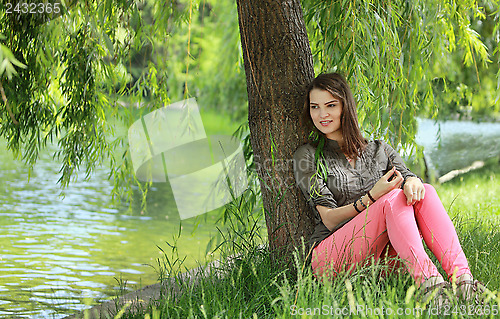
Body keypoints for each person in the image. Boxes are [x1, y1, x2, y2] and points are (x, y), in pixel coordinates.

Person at [292, 72, 484, 305]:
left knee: (426, 190)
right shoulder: (308, 155)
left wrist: (412, 181)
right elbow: (330, 220)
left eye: (330, 105)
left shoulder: (378, 150)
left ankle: (464, 282)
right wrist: (372, 197)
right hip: (331, 257)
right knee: (392, 198)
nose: (322, 114)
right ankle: (431, 287)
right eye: (315, 107)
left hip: (382, 258)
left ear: (345, 107)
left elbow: (410, 181)